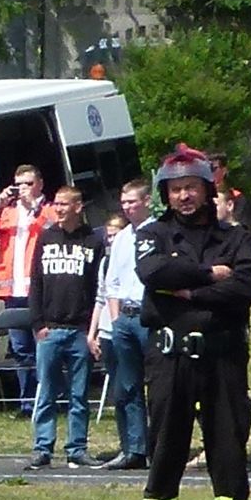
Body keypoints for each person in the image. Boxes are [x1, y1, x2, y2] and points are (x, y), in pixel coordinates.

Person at [133, 145, 251, 500]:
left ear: (208, 189)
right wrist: (209, 275)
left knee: (228, 451)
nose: (183, 197)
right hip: (170, 359)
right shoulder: (152, 234)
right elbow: (154, 276)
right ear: (164, 194)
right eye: (175, 190)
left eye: (190, 188)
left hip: (222, 358)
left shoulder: (236, 238)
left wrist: (187, 290)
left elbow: (244, 290)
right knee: (166, 449)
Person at [24, 181, 101, 468]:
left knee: (78, 394)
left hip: (79, 330)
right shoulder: (46, 238)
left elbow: (98, 287)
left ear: (78, 207)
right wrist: (37, 324)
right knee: (46, 392)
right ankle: (42, 448)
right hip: (50, 330)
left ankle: (77, 448)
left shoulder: (92, 240)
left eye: (64, 204)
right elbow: (36, 283)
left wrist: (92, 329)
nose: (58, 209)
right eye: (56, 204)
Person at [93, 176, 154, 467]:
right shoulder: (122, 238)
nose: (127, 207)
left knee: (158, 388)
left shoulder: (159, 232)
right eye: (124, 202)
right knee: (125, 387)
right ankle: (133, 449)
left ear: (146, 201)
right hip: (125, 319)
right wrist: (116, 321)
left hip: (150, 317)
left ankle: (159, 449)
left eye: (132, 201)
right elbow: (111, 283)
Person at [0, 161, 50, 407]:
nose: (22, 189)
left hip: (40, 291)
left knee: (45, 347)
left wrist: (34, 209)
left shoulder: (49, 211)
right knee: (21, 349)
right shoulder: (8, 212)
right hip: (12, 291)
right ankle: (27, 401)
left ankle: (47, 397)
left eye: (28, 184)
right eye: (18, 184)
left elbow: (52, 231)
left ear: (39, 184)